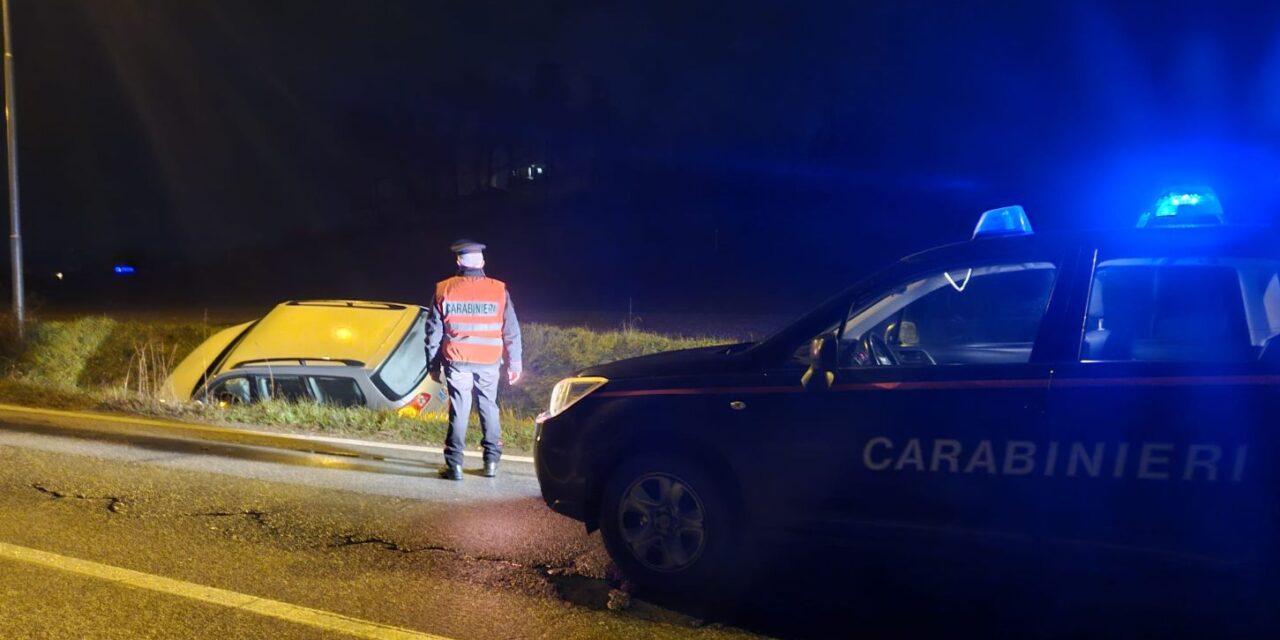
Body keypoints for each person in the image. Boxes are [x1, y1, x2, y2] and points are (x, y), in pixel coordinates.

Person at [425, 239, 523, 480]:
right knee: (488, 406)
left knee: (459, 409)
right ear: (482, 262)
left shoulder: (444, 289)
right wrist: (515, 363)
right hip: (489, 360)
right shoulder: (498, 290)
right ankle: (491, 462)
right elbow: (511, 329)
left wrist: (433, 365)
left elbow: (433, 332)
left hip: (457, 360)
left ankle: (454, 466)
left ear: (459, 261)